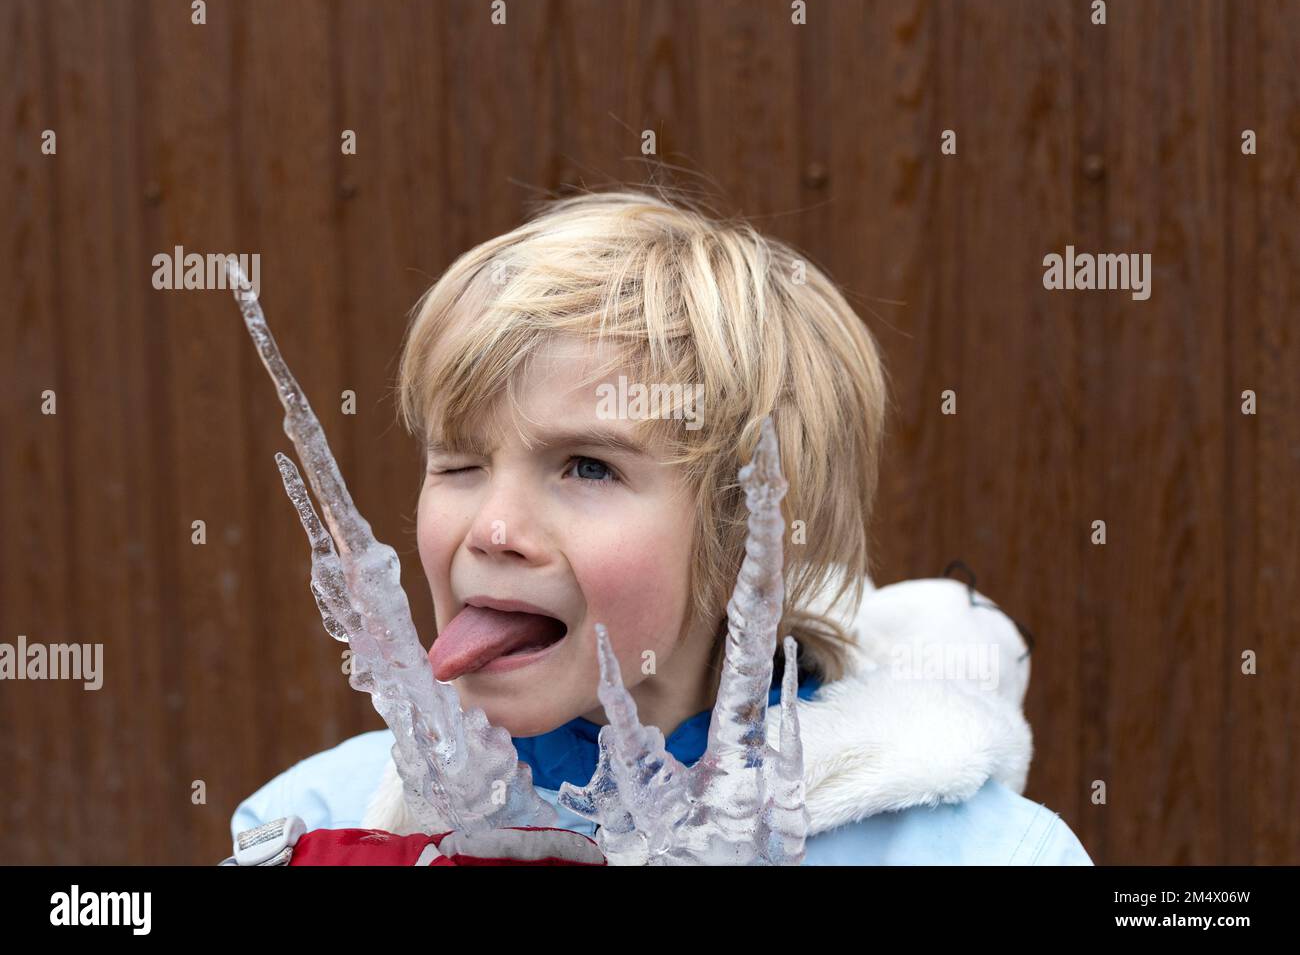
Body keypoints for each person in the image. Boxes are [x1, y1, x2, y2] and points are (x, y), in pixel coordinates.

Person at [230, 187, 1092, 865]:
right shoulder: (317, 828)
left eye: (588, 467)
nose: (493, 527)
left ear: (749, 529)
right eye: (459, 463)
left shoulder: (979, 853)